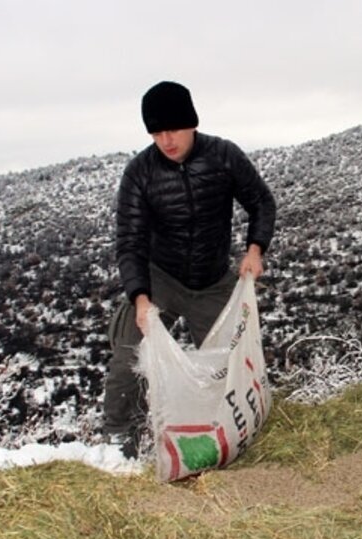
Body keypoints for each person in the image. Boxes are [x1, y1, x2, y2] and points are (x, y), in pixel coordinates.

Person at [105, 80, 277, 458]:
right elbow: (129, 241)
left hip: (213, 280)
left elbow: (261, 201)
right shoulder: (140, 172)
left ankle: (230, 437)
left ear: (192, 124)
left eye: (173, 129)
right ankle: (119, 442)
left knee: (230, 363)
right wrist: (140, 298)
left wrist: (255, 250)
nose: (166, 140)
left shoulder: (223, 156)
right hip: (161, 277)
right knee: (129, 352)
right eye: (156, 132)